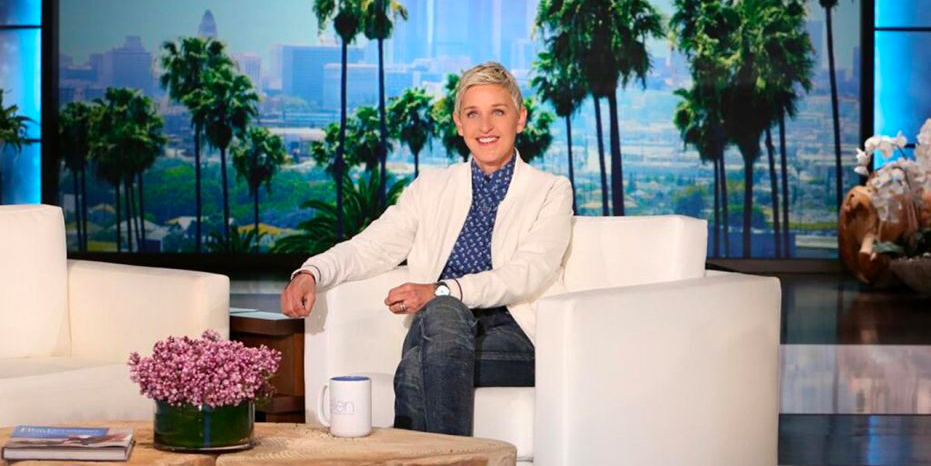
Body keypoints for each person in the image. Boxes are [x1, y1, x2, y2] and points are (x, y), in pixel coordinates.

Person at [280, 61, 573, 436]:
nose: (485, 127)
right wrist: (312, 272)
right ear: (459, 124)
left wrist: (441, 291)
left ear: (520, 119)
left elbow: (527, 272)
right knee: (442, 317)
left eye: (498, 112)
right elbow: (373, 245)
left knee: (415, 366)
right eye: (473, 114)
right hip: (439, 327)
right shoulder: (432, 187)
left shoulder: (550, 190)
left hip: (517, 334)